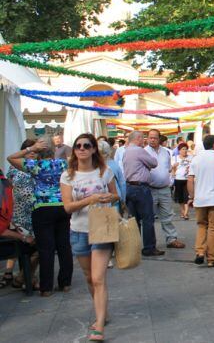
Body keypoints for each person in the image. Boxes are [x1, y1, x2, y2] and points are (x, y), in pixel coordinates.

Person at [59, 133, 119, 342]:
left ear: (94, 149)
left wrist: (110, 197)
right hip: (78, 230)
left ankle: (99, 324)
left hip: (102, 228)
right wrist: (91, 199)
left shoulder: (105, 171)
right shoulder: (68, 176)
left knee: (98, 278)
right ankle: (102, 311)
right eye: (78, 146)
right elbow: (67, 207)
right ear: (74, 150)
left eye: (86, 145)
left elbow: (116, 195)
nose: (82, 149)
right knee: (88, 277)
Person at [7, 135, 73, 297]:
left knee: (46, 248)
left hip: (42, 208)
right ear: (53, 149)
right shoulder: (63, 164)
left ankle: (46, 288)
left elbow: (10, 158)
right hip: (62, 206)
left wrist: (30, 149)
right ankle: (65, 283)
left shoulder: (34, 165)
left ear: (39, 150)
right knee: (64, 246)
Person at [188, 135, 214, 267]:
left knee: (201, 225)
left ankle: (200, 252)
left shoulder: (196, 159)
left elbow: (190, 180)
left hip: (200, 199)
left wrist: (192, 196)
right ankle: (212, 258)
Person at [2, 139, 39, 290]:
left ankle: (24, 277)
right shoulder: (13, 168)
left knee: (36, 247)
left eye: (35, 152)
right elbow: (7, 188)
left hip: (35, 213)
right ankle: (17, 275)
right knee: (21, 246)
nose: (32, 154)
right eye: (29, 151)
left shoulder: (39, 167)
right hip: (18, 214)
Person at [122, 131, 164, 257]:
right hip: (141, 188)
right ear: (138, 138)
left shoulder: (126, 151)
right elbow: (154, 163)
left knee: (134, 219)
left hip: (129, 186)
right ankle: (149, 247)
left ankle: (134, 247)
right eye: (143, 138)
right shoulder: (139, 151)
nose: (144, 141)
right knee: (147, 218)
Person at [145, 129, 185, 249]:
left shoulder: (166, 152)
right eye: (150, 137)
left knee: (167, 215)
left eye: (155, 138)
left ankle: (171, 239)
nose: (152, 140)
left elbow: (168, 169)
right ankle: (150, 243)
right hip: (150, 189)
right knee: (149, 217)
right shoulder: (144, 152)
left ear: (159, 139)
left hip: (164, 189)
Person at [98, 140, 125, 204]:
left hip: (98, 201)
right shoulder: (115, 165)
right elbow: (122, 184)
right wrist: (123, 200)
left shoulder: (91, 166)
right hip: (114, 200)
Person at [171, 143, 192, 220]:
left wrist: (190, 168)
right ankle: (182, 212)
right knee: (180, 197)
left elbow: (194, 166)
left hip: (188, 179)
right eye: (183, 149)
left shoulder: (190, 157)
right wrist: (174, 166)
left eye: (186, 149)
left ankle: (186, 213)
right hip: (178, 179)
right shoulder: (175, 158)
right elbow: (171, 170)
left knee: (186, 196)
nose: (185, 150)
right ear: (179, 150)